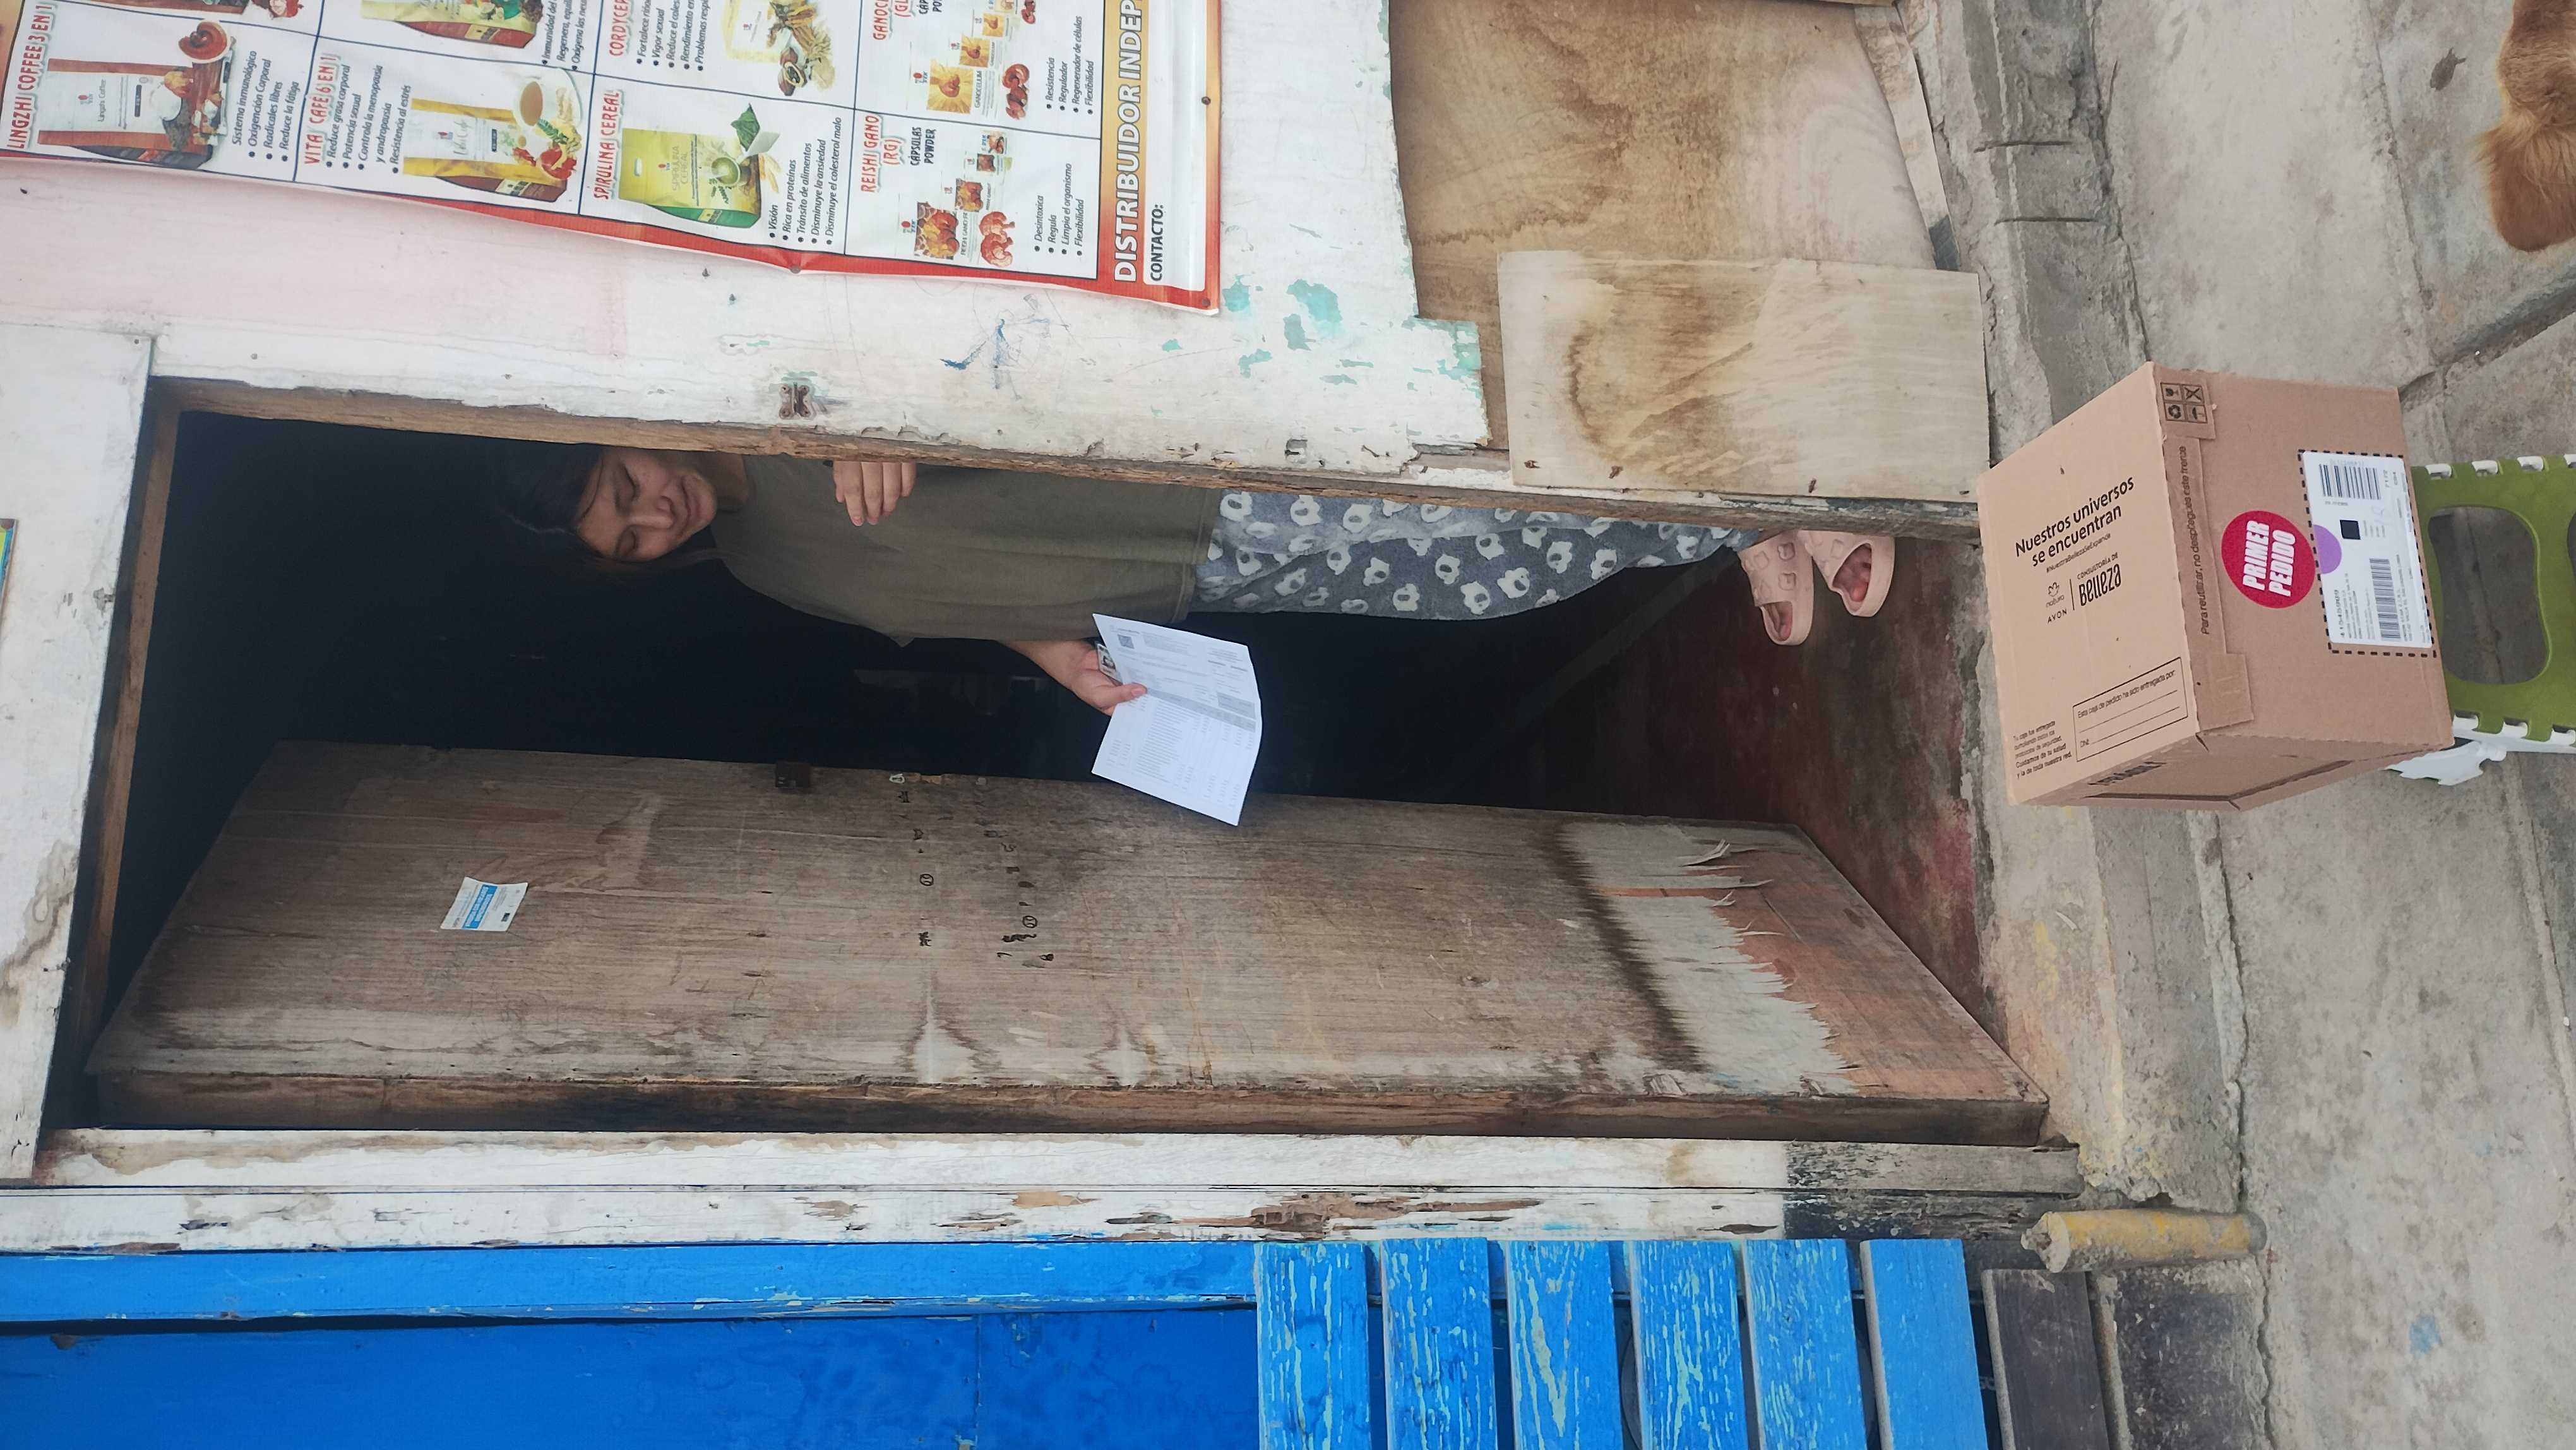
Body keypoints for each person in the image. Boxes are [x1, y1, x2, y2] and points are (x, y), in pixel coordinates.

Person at [483, 445, 1892, 711]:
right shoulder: (759, 563)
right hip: (1184, 573)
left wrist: (874, 410)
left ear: (617, 430)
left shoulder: (776, 383)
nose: (655, 517)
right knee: (1485, 573)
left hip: (1184, 466)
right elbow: (936, 598)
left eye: (625, 487)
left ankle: (1782, 477)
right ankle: (1715, 528)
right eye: (631, 542)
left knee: (1491, 481)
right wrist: (1055, 656)